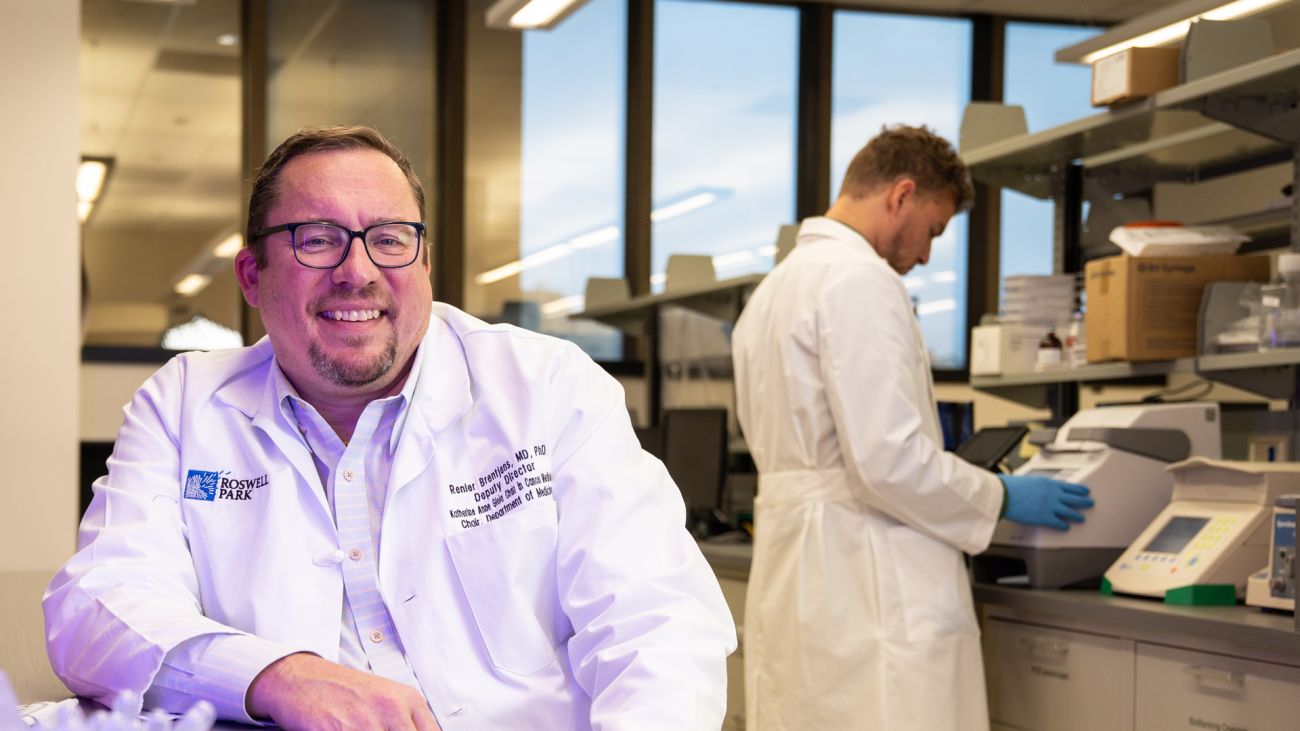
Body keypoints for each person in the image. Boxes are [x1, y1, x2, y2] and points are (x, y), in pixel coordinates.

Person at [44, 125, 736, 730]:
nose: (359, 271)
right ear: (252, 275)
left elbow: (656, 622)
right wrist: (277, 675)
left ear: (425, 264)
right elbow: (95, 609)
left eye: (390, 239)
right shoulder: (186, 404)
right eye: (316, 240)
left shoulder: (545, 386)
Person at [731, 125, 1093, 730]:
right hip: (865, 576)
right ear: (901, 194)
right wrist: (1002, 493)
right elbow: (888, 461)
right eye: (934, 229)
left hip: (802, 570)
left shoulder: (774, 290)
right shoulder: (859, 280)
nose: (926, 254)